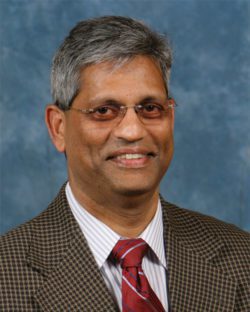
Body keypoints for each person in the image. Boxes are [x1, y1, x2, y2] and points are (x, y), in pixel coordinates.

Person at [0, 16, 249, 312]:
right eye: (104, 110)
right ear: (58, 128)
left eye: (150, 108)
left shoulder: (241, 258)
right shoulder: (7, 275)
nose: (132, 131)